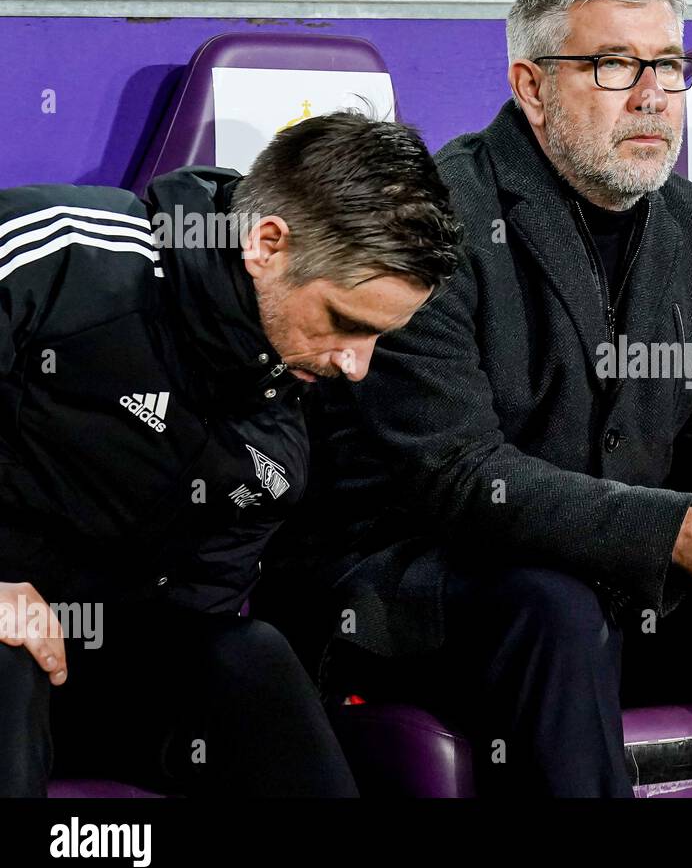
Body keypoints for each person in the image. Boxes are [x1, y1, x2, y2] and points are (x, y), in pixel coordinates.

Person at [260, 0, 692, 798]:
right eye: (613, 65)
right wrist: (679, 534)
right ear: (531, 86)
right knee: (555, 605)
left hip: (626, 585)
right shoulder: (437, 217)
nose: (652, 96)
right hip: (434, 583)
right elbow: (457, 477)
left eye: (670, 65)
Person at [0, 111, 461, 796]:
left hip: (84, 679)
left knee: (249, 656)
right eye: (345, 324)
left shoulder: (285, 425)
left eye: (378, 339)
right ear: (267, 244)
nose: (356, 365)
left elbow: (190, 619)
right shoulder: (61, 255)